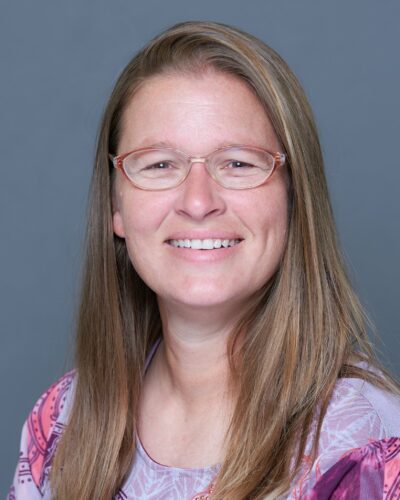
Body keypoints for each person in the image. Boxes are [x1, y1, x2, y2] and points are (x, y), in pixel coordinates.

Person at [8, 21, 400, 500]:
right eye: (159, 164)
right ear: (116, 208)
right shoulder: (60, 424)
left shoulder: (365, 443)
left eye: (238, 163)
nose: (198, 202)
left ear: (295, 200)